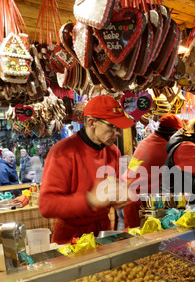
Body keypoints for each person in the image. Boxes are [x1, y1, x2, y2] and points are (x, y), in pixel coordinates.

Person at [39, 95, 135, 244]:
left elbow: (109, 191)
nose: (118, 133)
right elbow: (47, 206)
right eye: (112, 126)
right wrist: (89, 200)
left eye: (119, 127)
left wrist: (118, 196)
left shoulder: (113, 151)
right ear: (91, 122)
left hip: (103, 232)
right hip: (70, 238)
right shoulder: (62, 151)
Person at [124, 113, 183, 228]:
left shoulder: (149, 140)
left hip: (131, 201)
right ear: (173, 134)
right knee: (144, 242)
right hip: (143, 205)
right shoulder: (166, 147)